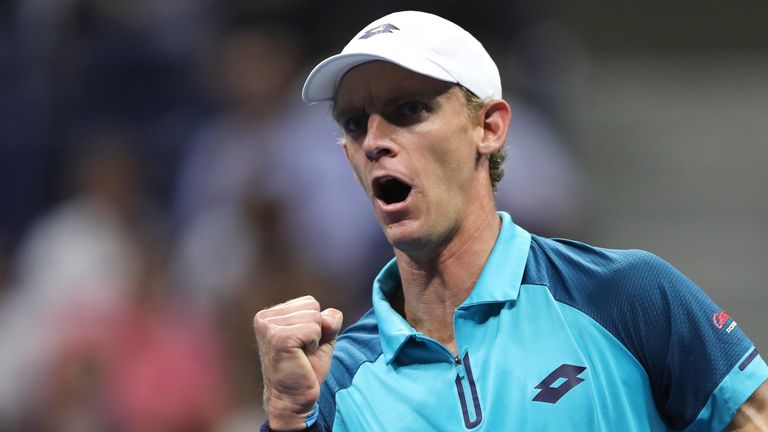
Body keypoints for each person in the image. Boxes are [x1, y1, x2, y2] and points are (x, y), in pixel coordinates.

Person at [253, 11, 768, 431]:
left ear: (488, 126)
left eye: (408, 110)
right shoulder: (336, 384)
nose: (375, 140)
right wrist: (286, 418)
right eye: (354, 122)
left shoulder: (623, 294)